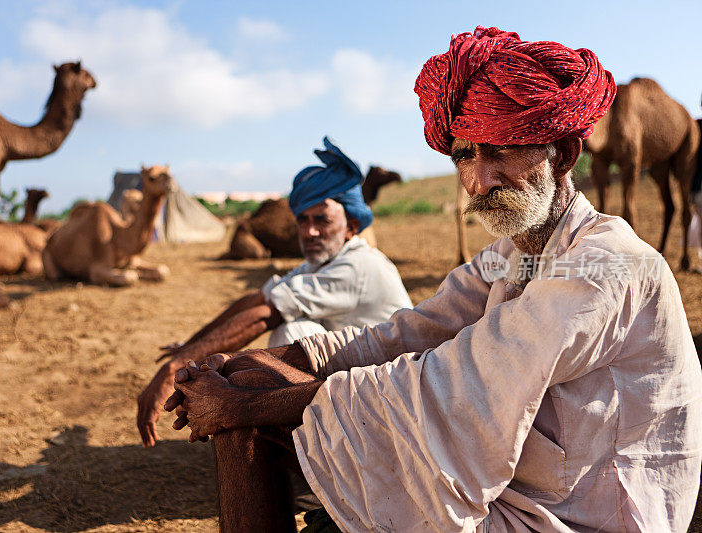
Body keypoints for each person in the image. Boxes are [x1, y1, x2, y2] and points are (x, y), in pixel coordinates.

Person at [162, 27, 702, 532]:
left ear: (561, 153)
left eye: (502, 150)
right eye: (466, 154)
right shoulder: (512, 256)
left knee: (252, 408)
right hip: (518, 489)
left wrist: (246, 403)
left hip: (576, 516)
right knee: (253, 385)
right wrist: (257, 365)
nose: (479, 180)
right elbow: (414, 330)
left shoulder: (608, 265)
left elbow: (458, 382)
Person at [136, 137, 412, 448]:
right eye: (303, 220)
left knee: (293, 332)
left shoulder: (357, 265)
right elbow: (257, 300)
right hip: (356, 390)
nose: (309, 231)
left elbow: (266, 314)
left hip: (388, 404)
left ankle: (307, 445)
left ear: (351, 226)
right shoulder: (320, 264)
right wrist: (187, 348)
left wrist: (176, 367)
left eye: (322, 220)